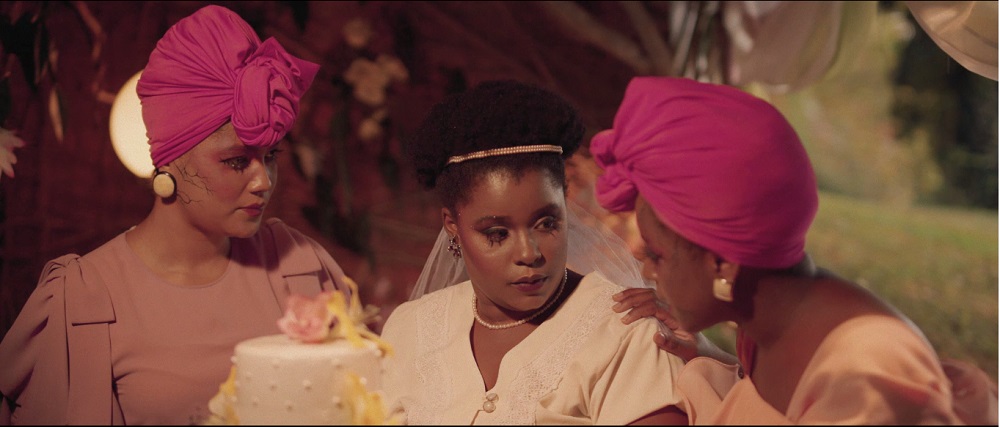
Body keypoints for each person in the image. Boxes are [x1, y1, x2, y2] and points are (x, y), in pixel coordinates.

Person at [0, 5, 353, 425]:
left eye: (271, 156)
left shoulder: (299, 266)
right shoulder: (84, 299)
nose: (264, 181)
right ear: (168, 159)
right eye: (237, 161)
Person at [591, 75, 998, 424]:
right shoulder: (769, 319)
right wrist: (705, 352)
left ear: (723, 265)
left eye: (657, 256)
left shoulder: (865, 375)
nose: (649, 273)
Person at [379, 80, 688, 425]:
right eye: (497, 234)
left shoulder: (626, 332)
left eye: (546, 224)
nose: (529, 253)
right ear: (452, 225)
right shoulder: (409, 329)